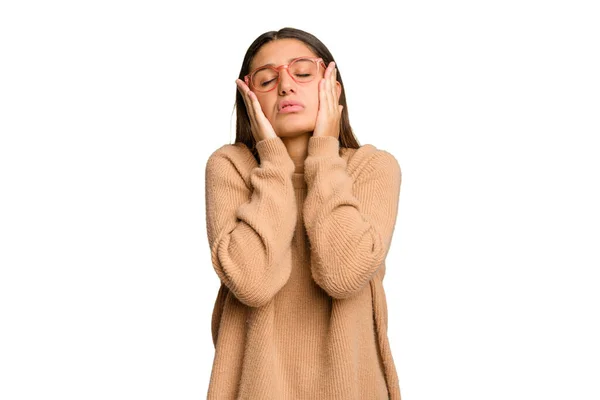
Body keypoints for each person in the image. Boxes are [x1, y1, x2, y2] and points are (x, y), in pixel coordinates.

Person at [204, 27, 403, 400]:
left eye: (303, 72)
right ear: (248, 99)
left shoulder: (371, 168)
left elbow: (343, 275)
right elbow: (252, 282)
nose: (285, 86)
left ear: (334, 87)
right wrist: (273, 159)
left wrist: (324, 152)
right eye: (266, 79)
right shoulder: (230, 167)